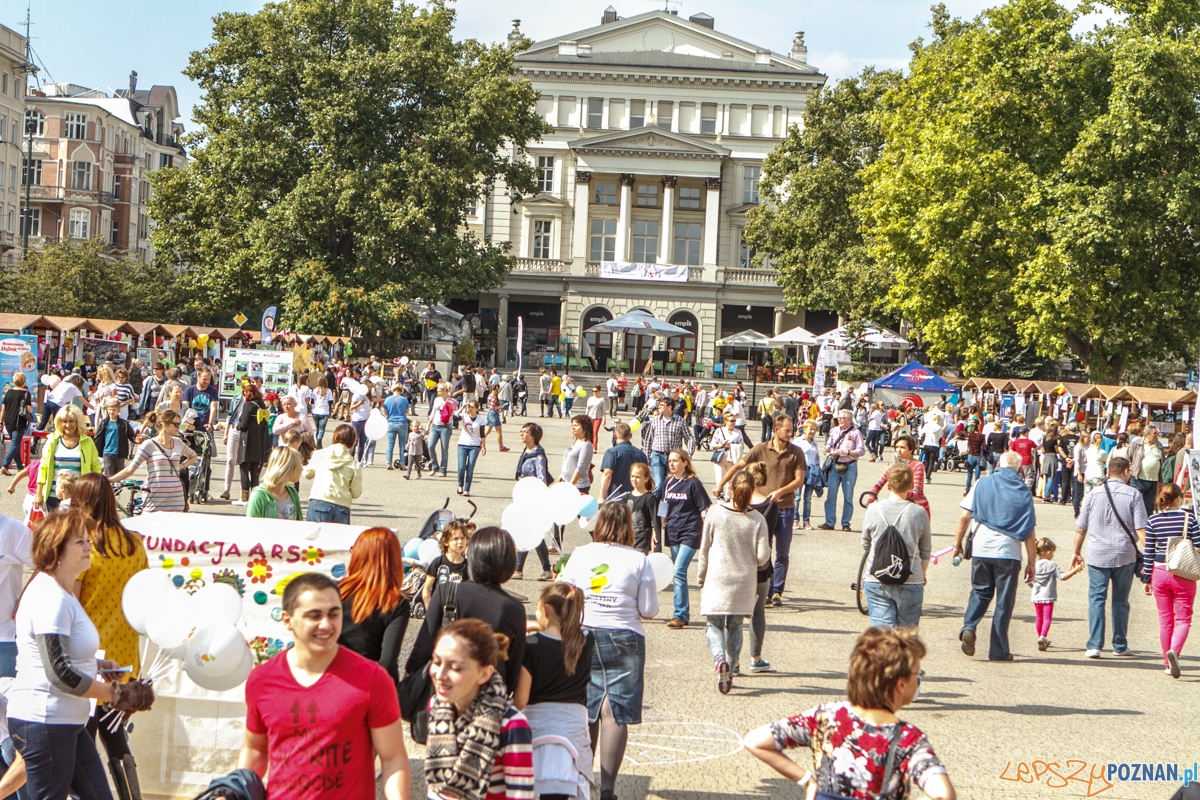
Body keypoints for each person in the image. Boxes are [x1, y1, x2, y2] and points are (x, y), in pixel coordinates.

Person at [9, 511, 155, 800]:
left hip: (65, 723)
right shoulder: (49, 596)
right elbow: (59, 671)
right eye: (80, 542)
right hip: (46, 721)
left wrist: (98, 665)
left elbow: (60, 655)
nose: (90, 547)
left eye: (88, 540)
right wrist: (115, 693)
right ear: (56, 550)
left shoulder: (63, 594)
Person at [239, 573, 410, 800]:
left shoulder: (372, 680)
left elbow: (393, 758)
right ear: (287, 619)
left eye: (334, 614)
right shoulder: (262, 680)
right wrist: (236, 788)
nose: (326, 624)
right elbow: (255, 748)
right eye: (314, 615)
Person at [742, 627, 955, 800]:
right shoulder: (909, 739)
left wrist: (807, 780)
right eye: (918, 674)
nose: (918, 680)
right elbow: (944, 795)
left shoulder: (825, 716)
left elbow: (754, 741)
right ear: (900, 684)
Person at [558, 503, 658, 800]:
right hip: (625, 635)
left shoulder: (580, 554)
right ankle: (607, 789)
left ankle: (582, 782)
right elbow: (649, 609)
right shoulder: (639, 559)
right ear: (628, 525)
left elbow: (565, 597)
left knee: (586, 711)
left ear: (598, 525)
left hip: (584, 634)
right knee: (614, 714)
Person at [70, 474, 150, 796]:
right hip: (125, 655)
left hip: (89, 658)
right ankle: (130, 792)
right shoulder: (135, 542)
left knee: (82, 741)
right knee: (115, 736)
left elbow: (71, 601)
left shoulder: (82, 545)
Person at [406, 527, 527, 693]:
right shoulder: (514, 609)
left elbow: (422, 648)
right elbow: (512, 672)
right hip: (487, 697)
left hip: (442, 691)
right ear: (510, 564)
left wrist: (409, 684)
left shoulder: (446, 592)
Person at [425, 619, 533, 800]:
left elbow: (521, 795)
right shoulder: (435, 707)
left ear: (484, 673)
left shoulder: (511, 725)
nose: (440, 674)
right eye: (436, 662)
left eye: (455, 667)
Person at [950, 451, 1037, 662]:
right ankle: (998, 650)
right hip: (1008, 552)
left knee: (980, 591)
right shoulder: (1024, 492)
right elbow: (1029, 530)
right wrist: (1032, 562)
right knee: (1004, 601)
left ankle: (969, 626)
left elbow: (964, 517)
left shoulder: (981, 484)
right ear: (1018, 469)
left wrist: (957, 544)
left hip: (982, 547)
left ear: (998, 463)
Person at [514, 584, 595, 800]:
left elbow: (521, 700)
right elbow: (564, 633)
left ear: (546, 609)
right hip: (573, 732)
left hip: (539, 731)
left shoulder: (531, 646)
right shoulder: (585, 642)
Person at [717, 413, 804, 608]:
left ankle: (776, 591)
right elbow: (739, 465)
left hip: (785, 508)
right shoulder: (760, 449)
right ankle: (764, 587)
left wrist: (781, 491)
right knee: (764, 550)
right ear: (776, 430)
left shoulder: (796, 452)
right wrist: (722, 483)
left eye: (791, 430)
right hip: (762, 509)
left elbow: (799, 480)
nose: (791, 433)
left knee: (783, 552)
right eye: (787, 430)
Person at [697, 470, 770, 693]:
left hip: (717, 576)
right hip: (744, 579)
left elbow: (705, 548)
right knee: (736, 625)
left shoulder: (715, 513)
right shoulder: (757, 519)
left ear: (730, 488)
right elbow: (762, 557)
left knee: (713, 624)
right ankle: (731, 666)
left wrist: (701, 576)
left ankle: (720, 661)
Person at [1071, 455, 1146, 659]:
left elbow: (1081, 528)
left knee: (1096, 598)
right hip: (1125, 553)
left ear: (1107, 472)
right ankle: (1119, 644)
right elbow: (1140, 529)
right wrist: (1151, 554)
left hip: (1098, 553)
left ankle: (1094, 645)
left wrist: (1076, 552)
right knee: (1121, 601)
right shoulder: (1134, 495)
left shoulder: (1093, 494)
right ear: (1124, 472)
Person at [862, 463, 932, 629]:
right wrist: (922, 574)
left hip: (876, 578)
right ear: (910, 487)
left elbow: (865, 543)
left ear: (888, 485)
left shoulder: (873, 509)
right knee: (906, 635)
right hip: (911, 579)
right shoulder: (919, 512)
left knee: (883, 634)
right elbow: (925, 550)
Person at [1142, 482, 1200, 678]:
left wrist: (1146, 578)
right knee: (1183, 618)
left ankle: (1167, 664)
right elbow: (1199, 545)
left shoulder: (1153, 520)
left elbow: (1148, 552)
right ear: (1178, 499)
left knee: (1165, 620)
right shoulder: (1189, 519)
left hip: (1159, 573)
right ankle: (1174, 651)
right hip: (1183, 573)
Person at [337, 527, 410, 682]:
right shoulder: (395, 602)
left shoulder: (336, 591)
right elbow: (388, 661)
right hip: (368, 685)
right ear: (394, 560)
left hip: (333, 679)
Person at [109, 410, 197, 513]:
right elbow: (130, 469)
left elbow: (193, 456)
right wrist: (109, 480)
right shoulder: (148, 445)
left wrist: (182, 466)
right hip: (154, 499)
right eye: (176, 424)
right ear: (165, 424)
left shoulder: (178, 443)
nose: (179, 427)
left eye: (179, 424)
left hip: (176, 500)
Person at [661, 449, 711, 628]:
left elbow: (704, 509)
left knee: (679, 571)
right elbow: (662, 507)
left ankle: (679, 615)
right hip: (672, 531)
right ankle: (685, 613)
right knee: (678, 572)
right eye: (670, 461)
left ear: (685, 463)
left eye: (675, 461)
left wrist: (707, 532)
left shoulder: (693, 484)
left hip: (690, 531)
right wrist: (657, 529)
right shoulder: (667, 483)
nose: (672, 464)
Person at [34, 405, 101, 514]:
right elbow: (43, 467)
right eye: (64, 421)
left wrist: (96, 490)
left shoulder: (88, 442)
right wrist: (38, 493)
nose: (68, 425)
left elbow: (96, 466)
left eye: (71, 421)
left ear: (78, 422)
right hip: (54, 496)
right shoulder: (53, 441)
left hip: (79, 496)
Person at [744, 463, 777, 672]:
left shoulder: (736, 504)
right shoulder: (771, 506)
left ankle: (732, 661)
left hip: (738, 563)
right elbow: (771, 534)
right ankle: (755, 658)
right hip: (762, 564)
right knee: (758, 612)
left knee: (733, 615)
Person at [514, 423, 554, 581]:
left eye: (526, 432)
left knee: (530, 534)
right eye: (521, 431)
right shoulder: (526, 452)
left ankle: (522, 570)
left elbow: (542, 480)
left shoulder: (538, 456)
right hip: (525, 497)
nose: (522, 434)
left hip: (533, 499)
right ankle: (541, 569)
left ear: (534, 436)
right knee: (530, 534)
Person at [1030, 537, 1082, 652]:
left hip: (1036, 596)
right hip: (1048, 596)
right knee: (1047, 618)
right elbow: (1063, 577)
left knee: (1039, 618)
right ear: (1049, 552)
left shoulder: (1034, 564)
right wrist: (1075, 569)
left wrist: (1034, 587)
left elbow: (1028, 580)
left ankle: (1040, 637)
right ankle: (1043, 637)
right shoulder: (1052, 565)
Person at [304, 424, 363, 524]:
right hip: (342, 506)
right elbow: (356, 493)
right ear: (353, 441)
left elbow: (307, 474)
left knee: (314, 538)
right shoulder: (354, 464)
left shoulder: (320, 454)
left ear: (335, 436)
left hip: (320, 499)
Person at [640, 397, 696, 500]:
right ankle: (654, 510)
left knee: (670, 484)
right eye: (659, 405)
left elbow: (690, 438)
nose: (659, 407)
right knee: (658, 485)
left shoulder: (680, 421)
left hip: (673, 458)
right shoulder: (655, 421)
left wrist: (689, 453)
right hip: (657, 456)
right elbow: (648, 440)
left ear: (669, 407)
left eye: (662, 405)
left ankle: (667, 509)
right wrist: (647, 457)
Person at [820, 409, 866, 532]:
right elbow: (827, 445)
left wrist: (848, 452)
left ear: (849, 420)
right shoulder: (834, 430)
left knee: (848, 496)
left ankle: (846, 523)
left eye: (843, 418)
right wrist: (830, 450)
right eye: (839, 418)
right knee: (831, 495)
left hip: (849, 466)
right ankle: (829, 522)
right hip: (835, 465)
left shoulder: (856, 432)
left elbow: (861, 451)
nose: (839, 420)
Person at [867, 434, 929, 518]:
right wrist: (872, 495)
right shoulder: (894, 465)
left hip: (917, 507)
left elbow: (917, 493)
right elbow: (878, 484)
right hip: (897, 506)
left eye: (902, 447)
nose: (898, 450)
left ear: (911, 450)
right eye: (896, 447)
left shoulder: (918, 465)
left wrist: (898, 492)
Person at [420, 520, 473, 611]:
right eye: (455, 539)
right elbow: (427, 589)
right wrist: (429, 609)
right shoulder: (438, 563)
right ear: (446, 542)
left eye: (463, 538)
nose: (460, 542)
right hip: (439, 609)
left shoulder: (469, 566)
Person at [234, 383, 270, 505]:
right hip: (259, 441)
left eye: (244, 393)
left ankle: (244, 498)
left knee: (244, 468)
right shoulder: (262, 405)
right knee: (255, 471)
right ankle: (255, 498)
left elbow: (243, 424)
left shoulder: (249, 405)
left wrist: (237, 426)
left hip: (247, 441)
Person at [246, 447, 303, 520]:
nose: (301, 469)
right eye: (299, 465)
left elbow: (299, 525)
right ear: (287, 468)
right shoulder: (259, 496)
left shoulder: (292, 493)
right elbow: (251, 528)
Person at [598, 423, 648, 502]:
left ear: (615, 436)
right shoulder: (641, 454)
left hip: (615, 497)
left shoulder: (611, 452)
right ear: (630, 436)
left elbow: (607, 474)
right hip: (636, 498)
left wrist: (601, 497)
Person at [93, 397, 139, 478]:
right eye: (110, 409)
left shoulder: (123, 424)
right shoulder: (104, 423)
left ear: (118, 410)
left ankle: (116, 491)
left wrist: (137, 439)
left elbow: (131, 435)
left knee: (118, 477)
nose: (112, 412)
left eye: (114, 409)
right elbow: (98, 437)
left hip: (120, 453)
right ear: (107, 410)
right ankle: (110, 490)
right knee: (109, 476)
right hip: (107, 452)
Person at [1129, 424, 1165, 518]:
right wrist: (1131, 471)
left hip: (1153, 480)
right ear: (1147, 434)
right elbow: (1128, 458)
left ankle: (1147, 526)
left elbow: (1162, 462)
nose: (1156, 435)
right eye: (1154, 433)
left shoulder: (1159, 445)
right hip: (1138, 479)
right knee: (1136, 504)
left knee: (1149, 506)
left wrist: (1161, 479)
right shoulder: (1137, 444)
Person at [1, 372, 32, 475]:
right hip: (19, 421)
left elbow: (3, 409)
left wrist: (1, 422)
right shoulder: (26, 393)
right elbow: (29, 409)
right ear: (23, 381)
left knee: (16, 444)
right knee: (15, 444)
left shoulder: (8, 392)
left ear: (14, 381)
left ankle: (20, 467)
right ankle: (5, 465)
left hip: (8, 421)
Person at [456, 401, 486, 498]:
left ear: (477, 409)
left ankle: (467, 489)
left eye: (472, 407)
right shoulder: (464, 416)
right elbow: (455, 417)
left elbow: (482, 434)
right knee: (461, 467)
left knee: (470, 468)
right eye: (469, 407)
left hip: (474, 445)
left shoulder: (480, 420)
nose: (470, 409)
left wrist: (483, 446)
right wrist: (462, 407)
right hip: (462, 444)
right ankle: (460, 485)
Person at [709, 413, 743, 493]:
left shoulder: (738, 432)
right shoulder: (719, 431)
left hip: (732, 460)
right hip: (720, 459)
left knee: (731, 484)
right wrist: (721, 445)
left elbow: (741, 446)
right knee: (720, 481)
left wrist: (730, 446)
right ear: (726, 421)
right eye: (731, 420)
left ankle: (729, 501)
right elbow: (712, 446)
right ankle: (720, 502)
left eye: (735, 420)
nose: (734, 422)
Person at [561, 415, 594, 494]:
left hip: (578, 486)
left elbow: (580, 468)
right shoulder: (576, 442)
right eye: (572, 425)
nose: (573, 427)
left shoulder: (586, 445)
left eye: (576, 425)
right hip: (566, 482)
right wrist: (561, 477)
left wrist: (570, 486)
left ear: (585, 427)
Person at [427, 383, 454, 477]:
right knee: (430, 446)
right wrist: (428, 426)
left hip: (446, 427)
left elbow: (455, 414)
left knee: (444, 449)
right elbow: (433, 412)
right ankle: (434, 466)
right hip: (435, 425)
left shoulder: (451, 401)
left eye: (439, 391)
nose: (438, 392)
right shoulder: (436, 400)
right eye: (437, 390)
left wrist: (451, 413)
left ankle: (443, 470)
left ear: (445, 391)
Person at [383, 384, 410, 470]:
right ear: (401, 390)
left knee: (390, 444)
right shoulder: (404, 399)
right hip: (402, 422)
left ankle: (389, 463)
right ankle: (402, 464)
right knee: (402, 444)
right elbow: (407, 411)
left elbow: (386, 412)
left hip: (391, 422)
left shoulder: (387, 399)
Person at [310, 375, 334, 447]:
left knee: (318, 428)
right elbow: (330, 401)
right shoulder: (328, 391)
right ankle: (319, 440)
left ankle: (317, 440)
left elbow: (312, 401)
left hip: (315, 411)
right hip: (324, 412)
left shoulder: (315, 390)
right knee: (322, 428)